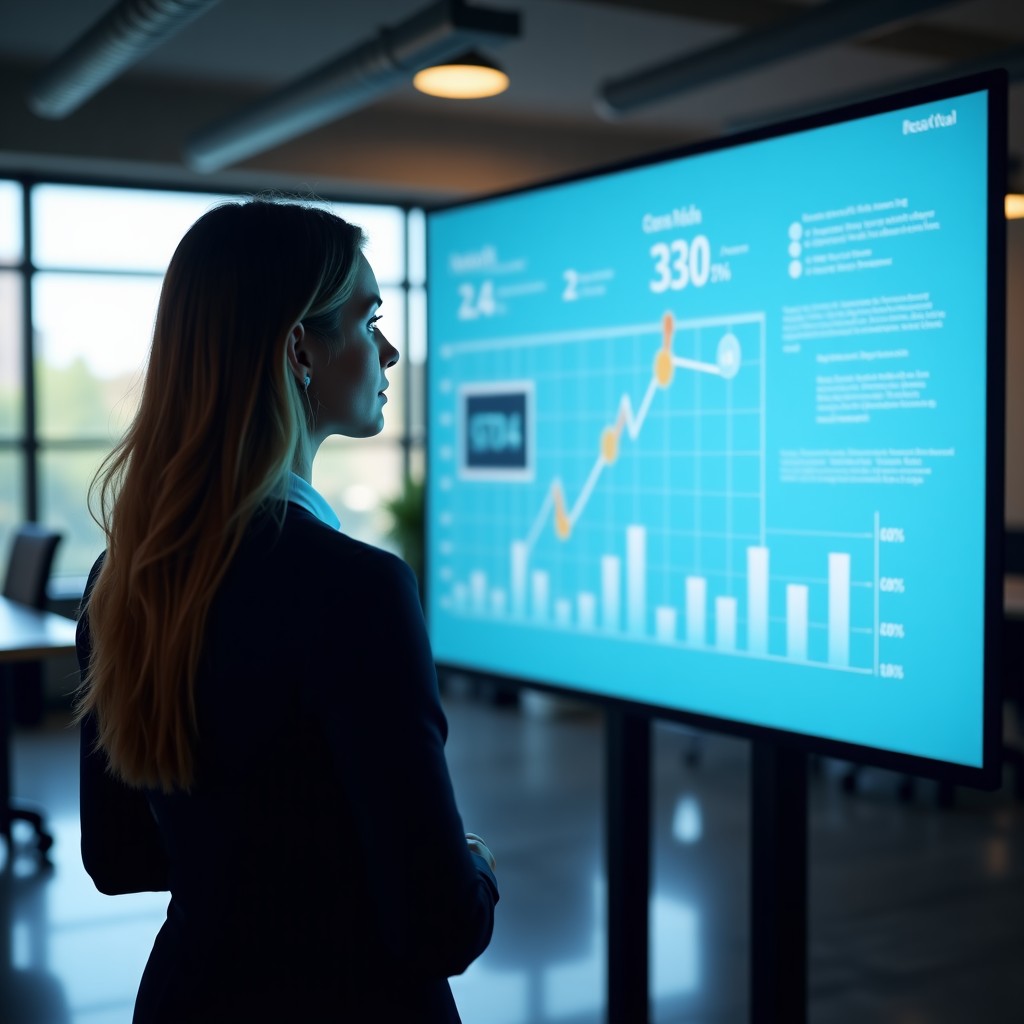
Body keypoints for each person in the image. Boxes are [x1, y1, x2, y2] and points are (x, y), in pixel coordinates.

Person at [74, 198, 498, 1023]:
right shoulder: (355, 590)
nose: (391, 349)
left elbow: (119, 855)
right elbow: (440, 927)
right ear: (299, 348)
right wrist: (473, 866)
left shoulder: (121, 579)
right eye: (367, 317)